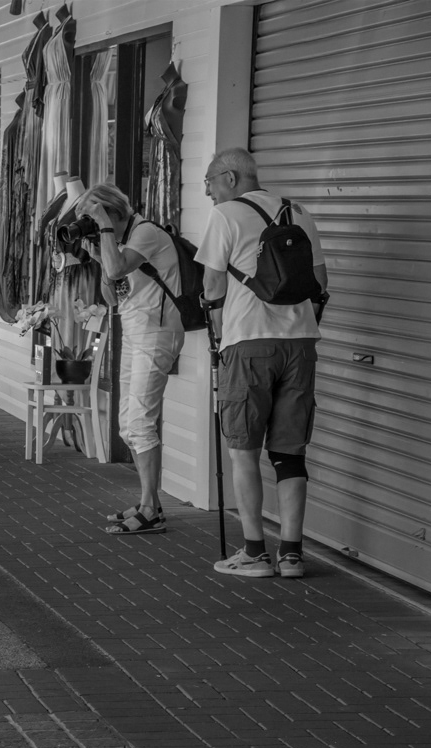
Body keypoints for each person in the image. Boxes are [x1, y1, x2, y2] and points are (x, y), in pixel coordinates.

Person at [199, 147, 328, 579]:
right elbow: (321, 281)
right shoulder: (299, 212)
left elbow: (213, 281)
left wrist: (218, 327)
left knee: (244, 450)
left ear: (231, 178)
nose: (208, 192)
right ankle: (291, 554)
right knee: (290, 453)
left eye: (210, 182)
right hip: (301, 342)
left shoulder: (226, 215)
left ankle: (254, 553)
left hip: (248, 342)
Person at [78, 183, 185, 534]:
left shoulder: (146, 233)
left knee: (140, 423)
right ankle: (145, 501)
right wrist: (97, 256)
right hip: (136, 333)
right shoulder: (119, 242)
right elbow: (112, 295)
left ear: (111, 212)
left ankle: (152, 509)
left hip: (155, 336)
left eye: (96, 218)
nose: (94, 227)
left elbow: (120, 268)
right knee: (127, 425)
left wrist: (105, 232)